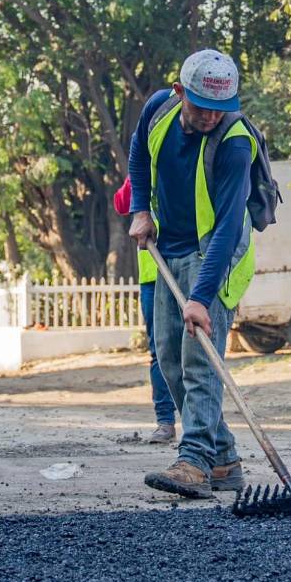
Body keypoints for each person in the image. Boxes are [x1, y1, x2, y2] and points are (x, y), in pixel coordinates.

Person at [127, 49, 255, 499]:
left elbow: (226, 229)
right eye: (202, 108)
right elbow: (139, 154)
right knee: (168, 358)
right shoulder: (158, 109)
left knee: (200, 361)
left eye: (220, 110)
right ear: (180, 93)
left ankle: (195, 461)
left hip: (216, 258)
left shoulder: (236, 143)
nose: (210, 119)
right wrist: (141, 208)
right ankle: (226, 462)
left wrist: (202, 297)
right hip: (169, 250)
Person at [113, 177, 178, 444]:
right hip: (151, 277)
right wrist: (136, 173)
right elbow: (121, 204)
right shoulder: (142, 173)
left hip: (183, 267)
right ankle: (165, 421)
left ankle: (203, 423)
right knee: (159, 352)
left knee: (192, 348)